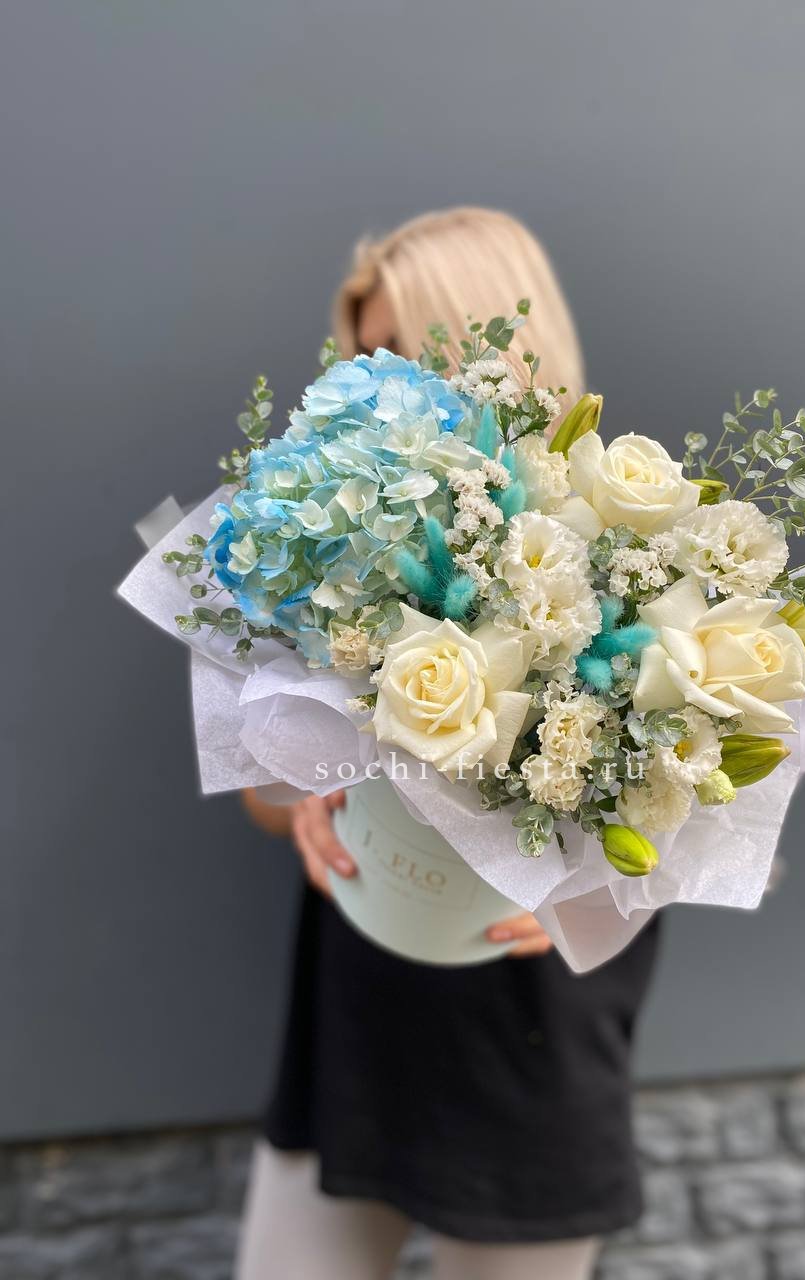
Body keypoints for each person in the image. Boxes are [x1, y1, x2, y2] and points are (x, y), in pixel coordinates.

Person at [235, 207, 663, 1280]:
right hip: (359, 1004)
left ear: (481, 335)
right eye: (360, 353)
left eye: (398, 348)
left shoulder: (631, 532)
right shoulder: (334, 534)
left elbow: (699, 805)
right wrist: (306, 799)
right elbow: (264, 793)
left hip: (528, 1030)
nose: (371, 380)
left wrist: (607, 887)